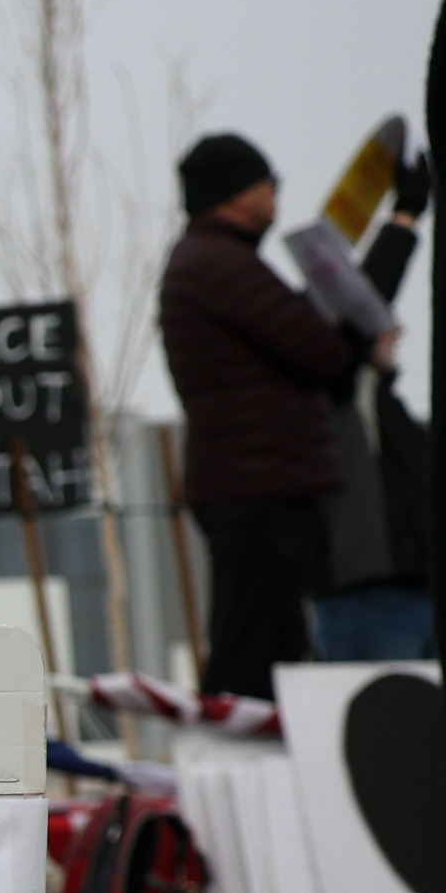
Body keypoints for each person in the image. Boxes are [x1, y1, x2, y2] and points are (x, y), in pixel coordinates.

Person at [157, 131, 401, 699]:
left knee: (270, 640)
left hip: (253, 481)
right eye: (270, 182)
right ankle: (234, 766)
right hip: (257, 486)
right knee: (253, 646)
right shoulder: (223, 264)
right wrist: (353, 338)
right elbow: (318, 351)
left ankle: (255, 761)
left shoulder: (207, 261)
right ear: (239, 192)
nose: (275, 196)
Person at [314, 152, 435, 661]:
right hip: (372, 593)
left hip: (415, 588)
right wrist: (403, 219)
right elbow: (357, 306)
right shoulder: (338, 395)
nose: (396, 330)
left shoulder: (385, 408)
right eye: (383, 323)